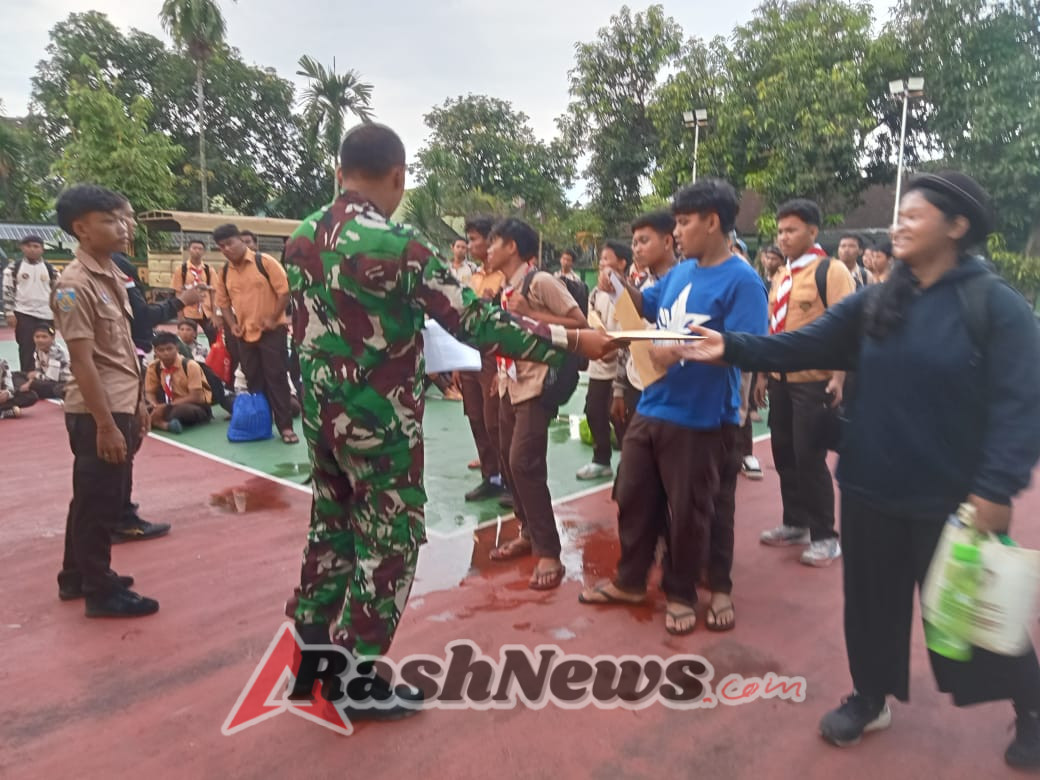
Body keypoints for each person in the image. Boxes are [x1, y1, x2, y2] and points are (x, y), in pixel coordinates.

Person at [677, 171, 1040, 769]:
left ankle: (1030, 704)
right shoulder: (879, 301)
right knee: (870, 606)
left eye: (914, 216)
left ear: (957, 226)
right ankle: (871, 697)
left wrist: (997, 487)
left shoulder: (993, 306)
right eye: (899, 214)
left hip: (950, 497)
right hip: (870, 485)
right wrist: (733, 346)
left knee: (968, 614)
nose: (898, 225)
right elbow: (803, 343)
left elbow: (1021, 405)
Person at [282, 123, 613, 717]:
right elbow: (474, 321)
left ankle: (310, 656)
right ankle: (356, 680)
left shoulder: (302, 235)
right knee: (390, 541)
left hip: (319, 416)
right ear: (398, 177)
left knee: (330, 526)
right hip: (378, 422)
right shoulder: (397, 244)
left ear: (339, 172)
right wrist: (570, 339)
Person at [579, 179, 768, 635]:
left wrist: (679, 351)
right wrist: (620, 284)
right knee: (632, 494)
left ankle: (682, 593)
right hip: (656, 406)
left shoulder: (743, 282)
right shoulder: (680, 273)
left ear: (713, 222)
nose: (677, 232)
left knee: (690, 512)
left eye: (684, 222)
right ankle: (631, 580)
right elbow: (649, 309)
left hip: (702, 417)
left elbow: (750, 351)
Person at [51, 184, 159, 617]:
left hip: (118, 402)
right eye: (113, 219)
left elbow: (121, 354)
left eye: (127, 217)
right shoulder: (74, 285)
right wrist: (107, 425)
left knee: (90, 498)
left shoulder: (112, 273)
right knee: (100, 505)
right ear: (82, 228)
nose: (125, 226)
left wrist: (138, 404)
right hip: (97, 411)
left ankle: (75, 576)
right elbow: (82, 362)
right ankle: (100, 590)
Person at [486, 218, 589, 589]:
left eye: (493, 242)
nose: (487, 249)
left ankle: (549, 551)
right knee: (507, 462)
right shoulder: (505, 286)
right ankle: (527, 531)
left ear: (512, 246)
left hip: (535, 384)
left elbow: (579, 322)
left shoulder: (540, 281)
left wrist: (531, 314)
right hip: (509, 384)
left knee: (523, 462)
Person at [757, 199, 854, 567]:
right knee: (784, 453)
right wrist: (764, 376)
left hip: (813, 381)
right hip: (781, 380)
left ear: (813, 231)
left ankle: (825, 535)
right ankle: (794, 521)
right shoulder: (782, 275)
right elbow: (774, 327)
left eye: (791, 230)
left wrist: (839, 378)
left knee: (809, 457)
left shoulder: (831, 271)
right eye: (780, 231)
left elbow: (846, 328)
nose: (783, 238)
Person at [212, 223, 298, 444]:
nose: (226, 249)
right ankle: (262, 422)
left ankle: (286, 427)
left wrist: (273, 317)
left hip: (271, 331)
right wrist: (232, 324)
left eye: (230, 243)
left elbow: (285, 292)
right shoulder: (223, 273)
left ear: (241, 240)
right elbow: (223, 304)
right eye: (221, 246)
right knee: (253, 380)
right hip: (244, 334)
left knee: (276, 377)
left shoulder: (265, 262)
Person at [611, 212, 678, 432]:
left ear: (668, 241)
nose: (636, 249)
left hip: (672, 388)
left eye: (644, 241)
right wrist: (619, 388)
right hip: (637, 383)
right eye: (634, 243)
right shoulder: (638, 289)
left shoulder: (685, 283)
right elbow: (629, 337)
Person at [459, 215, 508, 502]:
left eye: (474, 238)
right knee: (476, 417)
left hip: (493, 355)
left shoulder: (505, 277)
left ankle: (508, 479)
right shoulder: (472, 277)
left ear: (491, 240)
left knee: (494, 420)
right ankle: (490, 476)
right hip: (468, 353)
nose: (469, 244)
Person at [577, 240, 629, 480]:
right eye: (601, 260)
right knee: (594, 411)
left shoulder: (628, 292)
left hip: (620, 365)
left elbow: (628, 331)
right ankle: (601, 460)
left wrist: (612, 347)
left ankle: (628, 464)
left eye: (607, 259)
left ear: (622, 263)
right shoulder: (596, 293)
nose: (601, 263)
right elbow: (592, 319)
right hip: (599, 364)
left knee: (619, 416)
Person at [3, 235, 57, 373]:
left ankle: (49, 376)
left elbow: (58, 292)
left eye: (36, 246)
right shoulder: (13, 268)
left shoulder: (52, 270)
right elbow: (8, 291)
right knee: (26, 346)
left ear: (42, 249)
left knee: (48, 346)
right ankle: (27, 376)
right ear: (22, 248)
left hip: (47, 314)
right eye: (28, 246)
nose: (32, 249)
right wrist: (9, 312)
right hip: (24, 313)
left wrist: (60, 314)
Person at [145, 331, 212, 433]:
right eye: (161, 350)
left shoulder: (190, 365)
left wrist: (166, 406)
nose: (166, 353)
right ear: (155, 351)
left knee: (180, 411)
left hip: (194, 405)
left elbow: (196, 397)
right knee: (140, 409)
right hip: (166, 404)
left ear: (176, 348)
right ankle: (163, 423)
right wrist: (155, 406)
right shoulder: (153, 367)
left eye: (169, 348)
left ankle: (157, 422)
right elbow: (150, 392)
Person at [172, 239, 218, 344]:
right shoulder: (181, 270)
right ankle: (190, 359)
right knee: (188, 339)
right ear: (189, 250)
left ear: (204, 251)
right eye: (194, 248)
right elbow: (178, 293)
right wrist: (180, 316)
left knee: (214, 338)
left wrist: (215, 315)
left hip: (206, 312)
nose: (197, 251)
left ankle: (213, 360)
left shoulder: (208, 270)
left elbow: (213, 293)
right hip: (188, 310)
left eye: (200, 249)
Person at [15, 324, 70, 400]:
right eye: (37, 337)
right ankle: (27, 390)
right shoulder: (38, 349)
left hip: (60, 382)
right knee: (16, 374)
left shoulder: (56, 352)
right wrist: (32, 379)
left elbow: (51, 378)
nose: (40, 340)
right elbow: (38, 369)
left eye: (44, 337)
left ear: (52, 338)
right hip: (45, 379)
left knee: (53, 388)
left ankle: (23, 391)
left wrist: (33, 380)